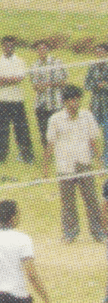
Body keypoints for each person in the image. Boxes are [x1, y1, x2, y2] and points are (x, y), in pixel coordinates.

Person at [43, 85, 104, 243]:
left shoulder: (87, 116)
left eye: (77, 99)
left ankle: (99, 233)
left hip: (84, 163)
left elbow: (93, 140)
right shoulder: (55, 119)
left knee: (91, 199)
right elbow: (50, 143)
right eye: (71, 100)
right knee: (68, 202)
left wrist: (99, 162)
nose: (74, 103)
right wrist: (45, 167)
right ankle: (70, 234)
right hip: (64, 165)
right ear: (65, 101)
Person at [0, 36, 34, 164]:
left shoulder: (20, 61)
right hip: (1, 101)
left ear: (14, 47)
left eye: (11, 46)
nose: (8, 48)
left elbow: (19, 78)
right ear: (2, 46)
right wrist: (11, 79)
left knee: (22, 130)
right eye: (6, 45)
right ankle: (0, 158)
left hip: (17, 101)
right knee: (1, 131)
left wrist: (3, 79)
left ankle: (27, 157)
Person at [30, 40, 68, 148]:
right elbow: (34, 85)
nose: (41, 51)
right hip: (41, 105)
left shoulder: (57, 62)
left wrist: (48, 84)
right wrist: (40, 86)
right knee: (44, 134)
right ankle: (47, 153)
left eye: (43, 48)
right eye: (39, 49)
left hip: (56, 104)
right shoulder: (34, 65)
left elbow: (63, 82)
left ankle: (60, 152)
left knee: (59, 133)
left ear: (48, 49)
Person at [85, 43, 108, 169]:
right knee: (91, 134)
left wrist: (104, 85)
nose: (99, 54)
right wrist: (97, 85)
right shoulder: (92, 67)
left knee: (106, 135)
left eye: (102, 51)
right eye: (97, 51)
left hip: (106, 107)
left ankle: (106, 160)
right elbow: (86, 85)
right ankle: (90, 157)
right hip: (95, 107)